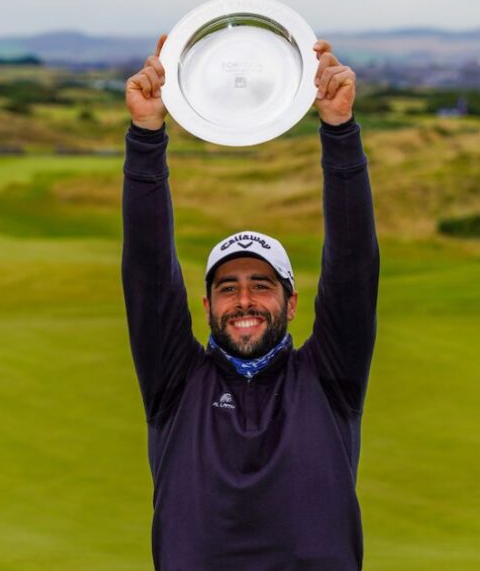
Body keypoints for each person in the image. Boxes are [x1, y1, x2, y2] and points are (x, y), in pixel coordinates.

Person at [122, 34, 379, 571]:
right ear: (207, 305)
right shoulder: (176, 383)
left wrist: (339, 130)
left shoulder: (330, 378)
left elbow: (353, 265)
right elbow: (148, 270)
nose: (244, 300)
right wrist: (146, 136)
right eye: (227, 287)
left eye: (262, 285)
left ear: (291, 303)